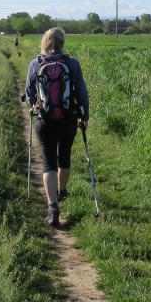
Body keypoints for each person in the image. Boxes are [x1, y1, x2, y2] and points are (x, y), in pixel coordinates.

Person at [25, 27, 89, 226]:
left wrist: (35, 104)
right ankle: (62, 192)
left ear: (45, 42)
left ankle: (53, 207)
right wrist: (84, 115)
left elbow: (29, 95)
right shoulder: (72, 63)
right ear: (63, 42)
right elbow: (82, 93)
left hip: (45, 120)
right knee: (65, 157)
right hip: (68, 118)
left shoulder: (36, 63)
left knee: (48, 163)